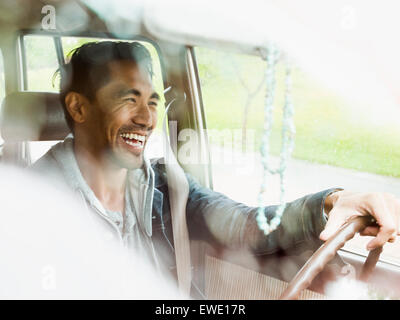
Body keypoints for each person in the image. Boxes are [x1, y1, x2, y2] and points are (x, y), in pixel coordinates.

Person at [31, 41, 400, 298]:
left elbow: (249, 227)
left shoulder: (167, 185)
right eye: (129, 100)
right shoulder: (29, 202)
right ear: (79, 109)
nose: (146, 119)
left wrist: (332, 204)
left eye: (153, 101)